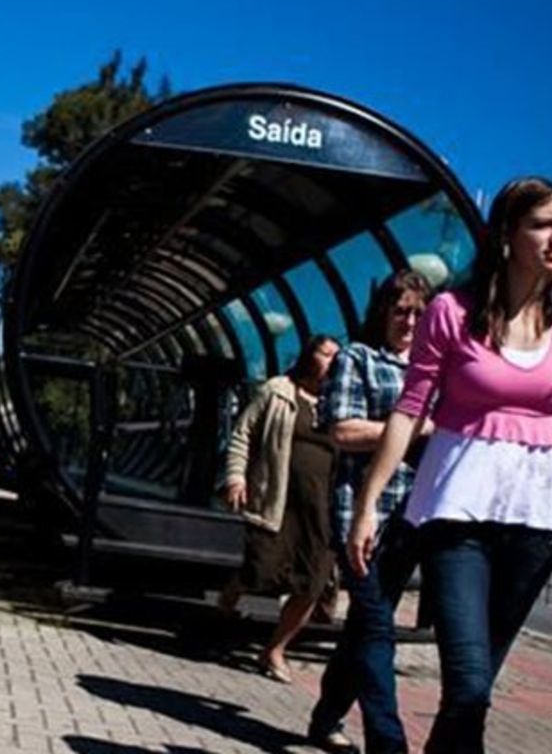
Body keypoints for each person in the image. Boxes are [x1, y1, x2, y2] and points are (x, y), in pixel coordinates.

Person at [349, 177, 552, 753]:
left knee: (476, 691)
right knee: (466, 685)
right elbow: (410, 411)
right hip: (458, 516)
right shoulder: (451, 313)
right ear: (508, 235)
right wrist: (369, 505)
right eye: (542, 224)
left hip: (537, 522)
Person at [307, 269, 435, 754]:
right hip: (359, 512)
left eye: (420, 313)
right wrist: (414, 429)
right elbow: (341, 430)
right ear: (383, 312)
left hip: (413, 515)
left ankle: (324, 719)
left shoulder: (435, 371)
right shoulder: (358, 359)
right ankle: (388, 741)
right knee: (378, 625)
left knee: (364, 625)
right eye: (400, 310)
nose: (409, 321)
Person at [221, 333, 341, 683]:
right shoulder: (277, 391)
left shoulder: (340, 403)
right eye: (326, 353)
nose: (332, 361)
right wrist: (236, 477)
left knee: (310, 584)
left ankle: (274, 650)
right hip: (279, 499)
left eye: (337, 356)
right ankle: (232, 593)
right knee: (262, 571)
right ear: (309, 355)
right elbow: (243, 433)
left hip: (322, 509)